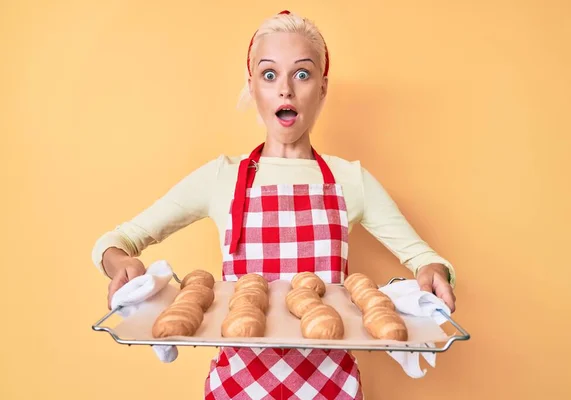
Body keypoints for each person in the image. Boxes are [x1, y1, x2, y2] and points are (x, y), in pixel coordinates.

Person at [92, 10, 457, 399]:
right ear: (253, 88)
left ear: (323, 87)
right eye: (270, 75)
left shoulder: (350, 180)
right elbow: (115, 242)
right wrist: (121, 264)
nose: (286, 90)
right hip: (238, 386)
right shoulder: (222, 177)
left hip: (331, 387)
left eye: (302, 74)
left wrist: (435, 275)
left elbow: (427, 261)